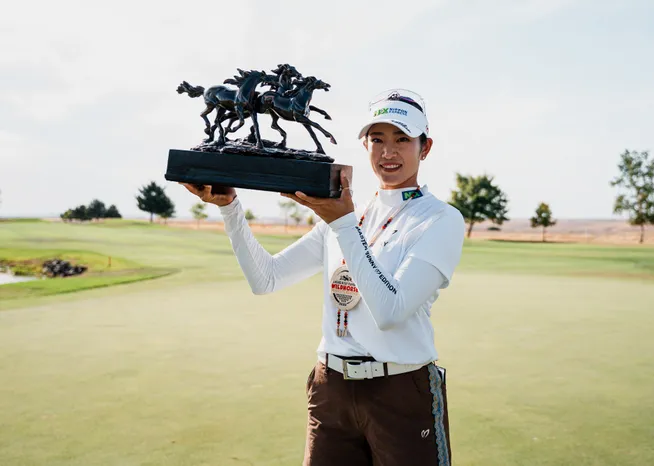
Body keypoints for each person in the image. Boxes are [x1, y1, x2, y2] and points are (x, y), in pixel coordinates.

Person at [181, 88, 466, 466]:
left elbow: (391, 311)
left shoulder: (440, 219)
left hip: (401, 390)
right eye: (377, 139)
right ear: (365, 145)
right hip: (330, 387)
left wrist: (343, 223)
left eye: (402, 139)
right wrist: (230, 208)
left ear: (424, 147)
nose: (388, 152)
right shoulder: (348, 214)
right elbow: (266, 279)